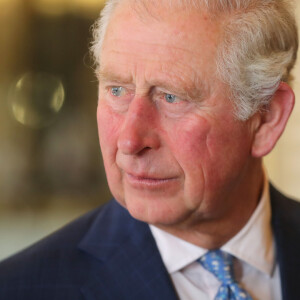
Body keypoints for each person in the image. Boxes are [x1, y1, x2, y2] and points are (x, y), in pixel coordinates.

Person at [0, 0, 299, 299]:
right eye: (117, 90)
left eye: (171, 97)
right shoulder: (20, 289)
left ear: (266, 118)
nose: (129, 142)